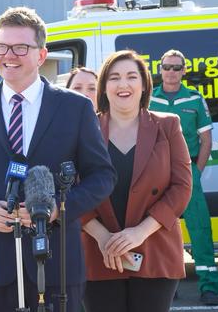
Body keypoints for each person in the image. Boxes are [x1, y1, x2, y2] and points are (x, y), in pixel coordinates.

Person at [0, 6, 116, 312]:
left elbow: (102, 176)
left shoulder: (75, 108)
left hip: (56, 266)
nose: (9, 55)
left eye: (21, 47)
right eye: (1, 47)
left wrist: (56, 209)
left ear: (41, 55)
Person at [81, 50, 192, 312]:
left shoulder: (168, 126)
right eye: (114, 77)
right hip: (99, 253)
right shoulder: (84, 130)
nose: (123, 84)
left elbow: (182, 187)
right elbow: (72, 190)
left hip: (155, 250)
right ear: (104, 87)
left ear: (144, 86)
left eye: (132, 76)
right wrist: (105, 238)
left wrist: (140, 232)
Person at [148, 49, 218, 305]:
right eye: (167, 67)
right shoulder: (148, 99)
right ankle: (165, 283)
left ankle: (209, 286)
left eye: (176, 68)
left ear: (184, 71)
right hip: (156, 174)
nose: (171, 72)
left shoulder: (194, 99)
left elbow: (206, 140)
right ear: (160, 69)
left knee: (200, 228)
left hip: (186, 170)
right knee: (157, 228)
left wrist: (195, 173)